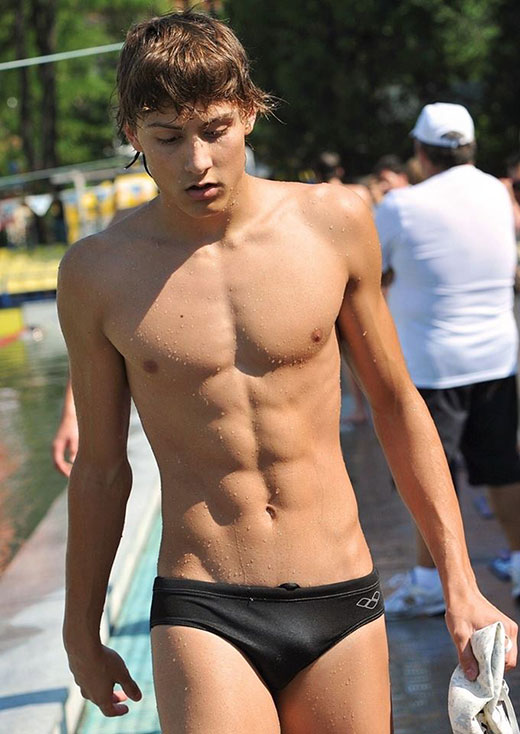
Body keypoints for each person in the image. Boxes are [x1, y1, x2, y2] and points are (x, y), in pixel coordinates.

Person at [58, 15, 517, 733]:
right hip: (203, 601)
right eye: (168, 139)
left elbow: (397, 406)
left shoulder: (332, 222)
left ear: (249, 111)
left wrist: (460, 582)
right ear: (131, 134)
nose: (197, 162)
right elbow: (100, 468)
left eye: (214, 130)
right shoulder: (97, 273)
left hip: (340, 591)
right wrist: (80, 630)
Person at [376, 102, 520, 619]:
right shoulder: (498, 193)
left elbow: (371, 271)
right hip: (498, 359)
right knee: (503, 469)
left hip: (431, 366)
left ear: (420, 152)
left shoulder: (401, 206)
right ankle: (519, 563)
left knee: (428, 476)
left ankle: (428, 582)